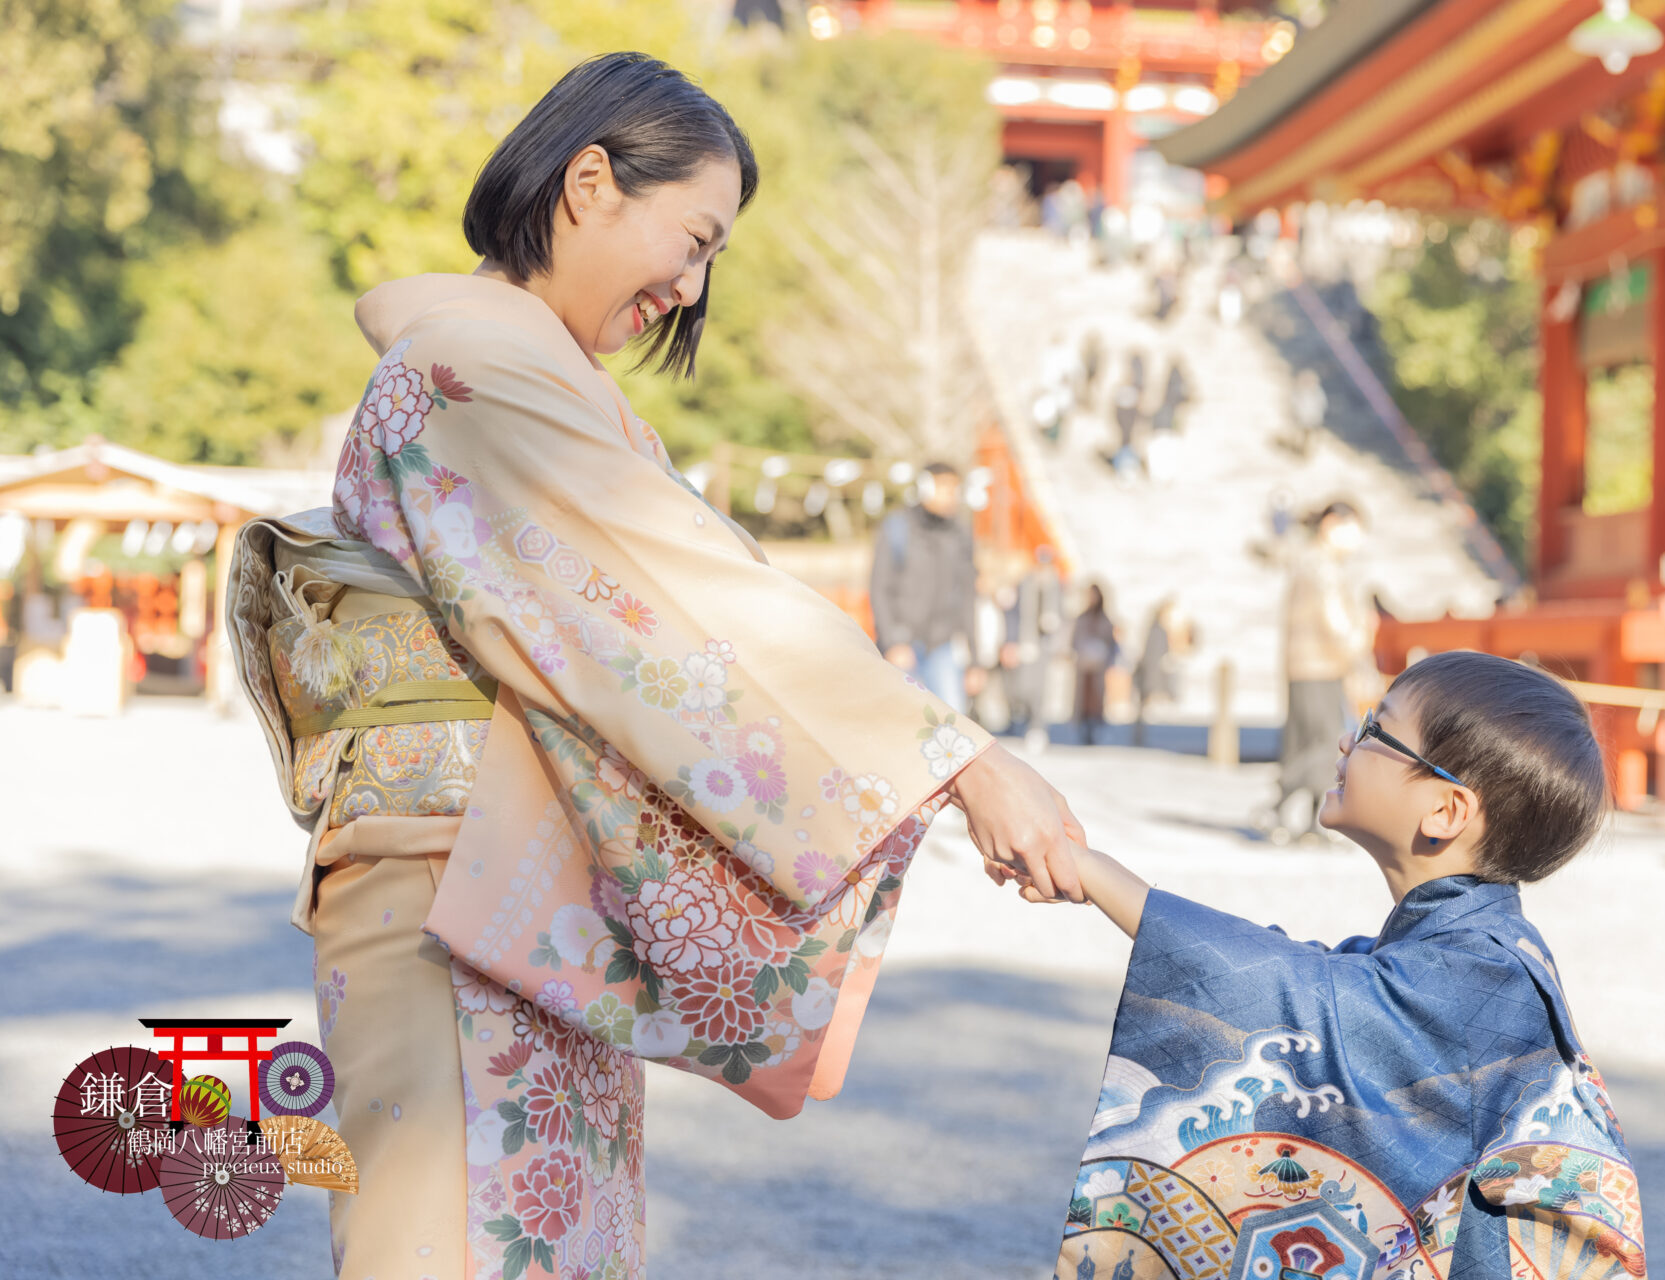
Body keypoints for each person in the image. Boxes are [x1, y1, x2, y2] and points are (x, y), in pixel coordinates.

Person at [224, 53, 1087, 1279]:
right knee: (460, 1242)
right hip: (453, 881)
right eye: (691, 238)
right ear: (589, 183)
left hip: (514, 884)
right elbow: (693, 605)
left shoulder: (511, 370)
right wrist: (956, 756)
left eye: (708, 260)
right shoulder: (472, 367)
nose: (688, 288)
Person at [1018, 651, 1645, 1280]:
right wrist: (1089, 873)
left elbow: (1302, 995)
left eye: (1378, 729)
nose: (1349, 737)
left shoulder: (1488, 975)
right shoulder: (1474, 947)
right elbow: (1317, 977)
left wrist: (1092, 872)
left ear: (1445, 812)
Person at [1268, 501, 1376, 843]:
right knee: (1323, 739)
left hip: (1312, 664)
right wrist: (1360, 642)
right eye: (1353, 529)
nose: (1357, 539)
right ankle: (1279, 806)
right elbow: (1336, 621)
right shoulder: (1322, 565)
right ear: (1332, 524)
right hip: (1319, 663)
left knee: (1309, 738)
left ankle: (1307, 820)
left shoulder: (1312, 562)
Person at [870, 461, 978, 712]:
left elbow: (968, 596)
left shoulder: (960, 534)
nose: (952, 496)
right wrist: (892, 641)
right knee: (905, 721)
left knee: (953, 725)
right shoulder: (898, 527)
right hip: (904, 641)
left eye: (955, 489)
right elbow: (880, 588)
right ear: (925, 488)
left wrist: (975, 659)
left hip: (944, 643)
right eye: (944, 488)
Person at [1004, 546, 1065, 747]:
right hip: (1025, 641)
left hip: (1045, 644)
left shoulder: (1057, 586)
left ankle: (1037, 726)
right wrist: (1011, 641)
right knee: (1021, 686)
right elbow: (1014, 614)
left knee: (1041, 687)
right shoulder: (1025, 584)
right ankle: (1020, 718)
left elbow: (1063, 615)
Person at [1130, 597, 1191, 746]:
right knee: (1147, 708)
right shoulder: (1157, 631)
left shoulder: (1161, 630)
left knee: (1152, 709)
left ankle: (1145, 738)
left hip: (1156, 674)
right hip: (1152, 674)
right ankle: (1141, 738)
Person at [1069, 583, 1120, 745]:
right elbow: (1074, 640)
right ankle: (1083, 729)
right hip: (1084, 667)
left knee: (1096, 700)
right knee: (1083, 700)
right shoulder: (1082, 619)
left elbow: (1111, 643)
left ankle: (1095, 728)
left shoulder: (1104, 620)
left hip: (1099, 667)